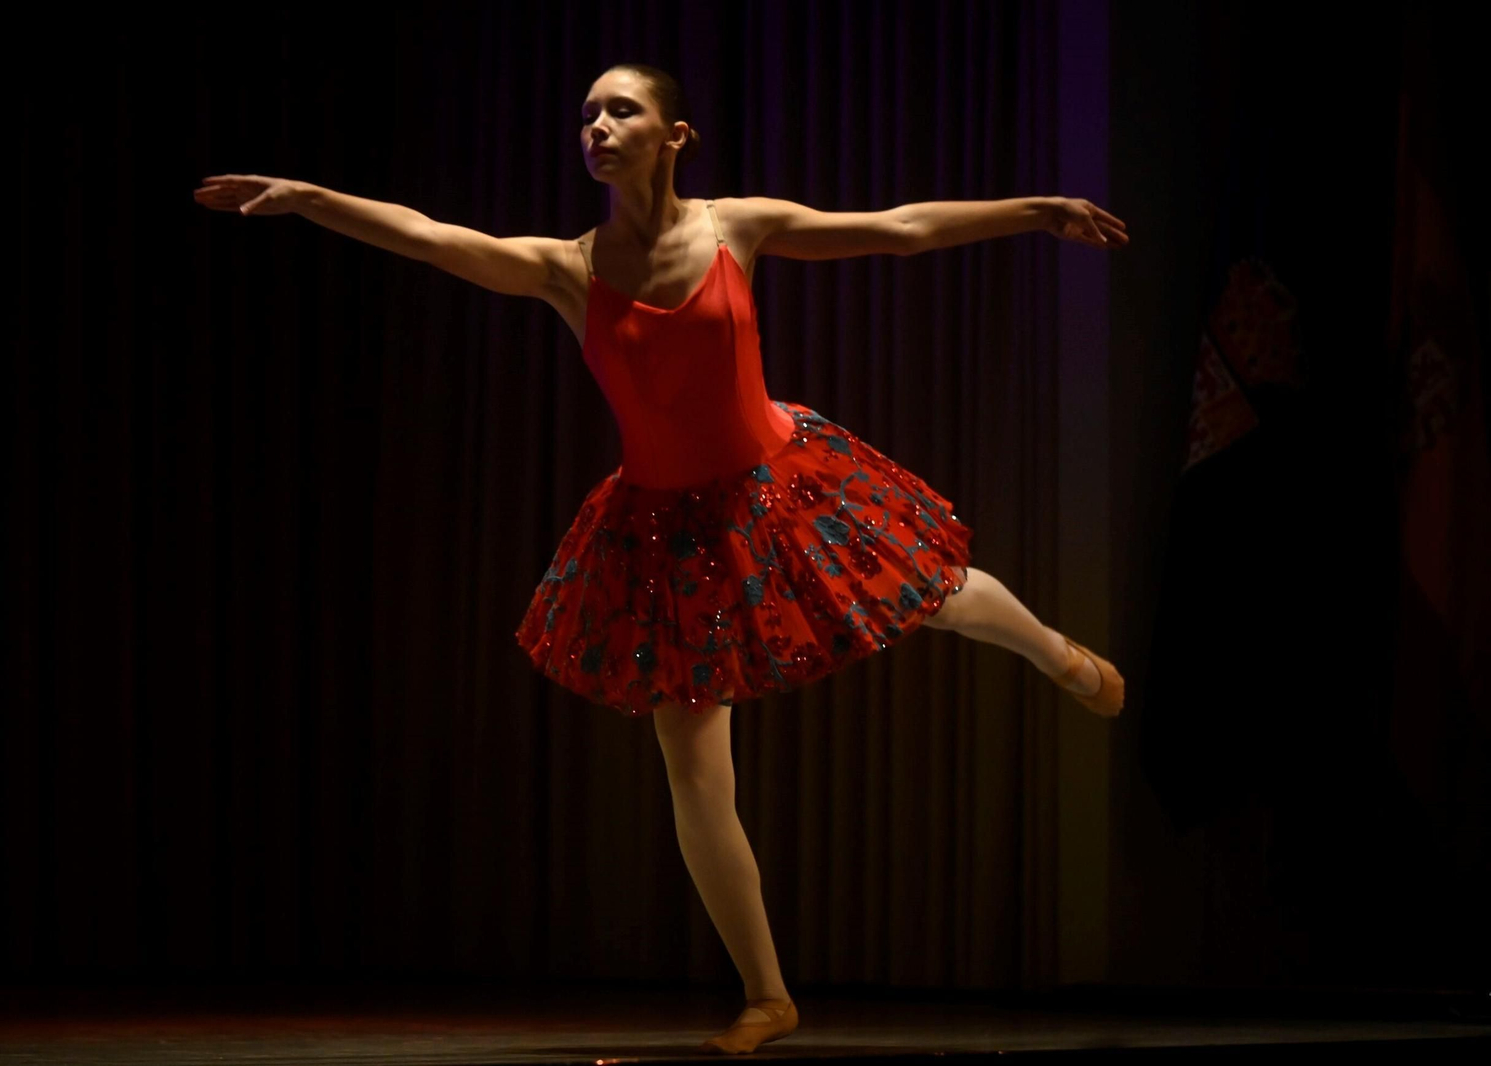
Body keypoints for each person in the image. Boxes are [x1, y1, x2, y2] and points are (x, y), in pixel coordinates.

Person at [194, 61, 1129, 1055]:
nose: (596, 127)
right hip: (664, 535)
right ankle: (767, 995)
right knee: (694, 772)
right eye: (587, 115)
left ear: (675, 136)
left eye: (621, 110)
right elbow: (427, 237)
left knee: (930, 590)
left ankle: (1057, 653)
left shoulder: (738, 228)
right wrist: (309, 198)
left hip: (775, 481)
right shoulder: (568, 267)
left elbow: (898, 227)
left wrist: (1036, 211)